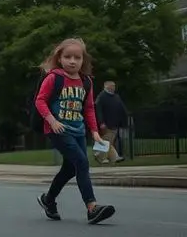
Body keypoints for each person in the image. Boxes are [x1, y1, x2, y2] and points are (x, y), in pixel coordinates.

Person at [34, 38, 116, 225]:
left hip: (78, 130)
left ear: (83, 60)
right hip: (58, 129)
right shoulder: (54, 78)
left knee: (70, 168)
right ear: (60, 58)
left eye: (77, 57)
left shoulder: (86, 81)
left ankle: (48, 199)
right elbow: (40, 101)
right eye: (68, 57)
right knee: (81, 162)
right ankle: (92, 207)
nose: (72, 61)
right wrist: (52, 120)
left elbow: (88, 108)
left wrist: (94, 132)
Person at [94, 80, 128, 164]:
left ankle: (114, 157)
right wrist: (101, 122)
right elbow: (98, 110)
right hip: (106, 123)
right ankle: (100, 156)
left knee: (109, 140)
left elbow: (122, 109)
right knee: (107, 140)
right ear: (106, 87)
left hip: (115, 123)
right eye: (111, 86)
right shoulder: (101, 96)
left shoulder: (116, 97)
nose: (113, 87)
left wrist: (124, 121)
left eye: (114, 86)